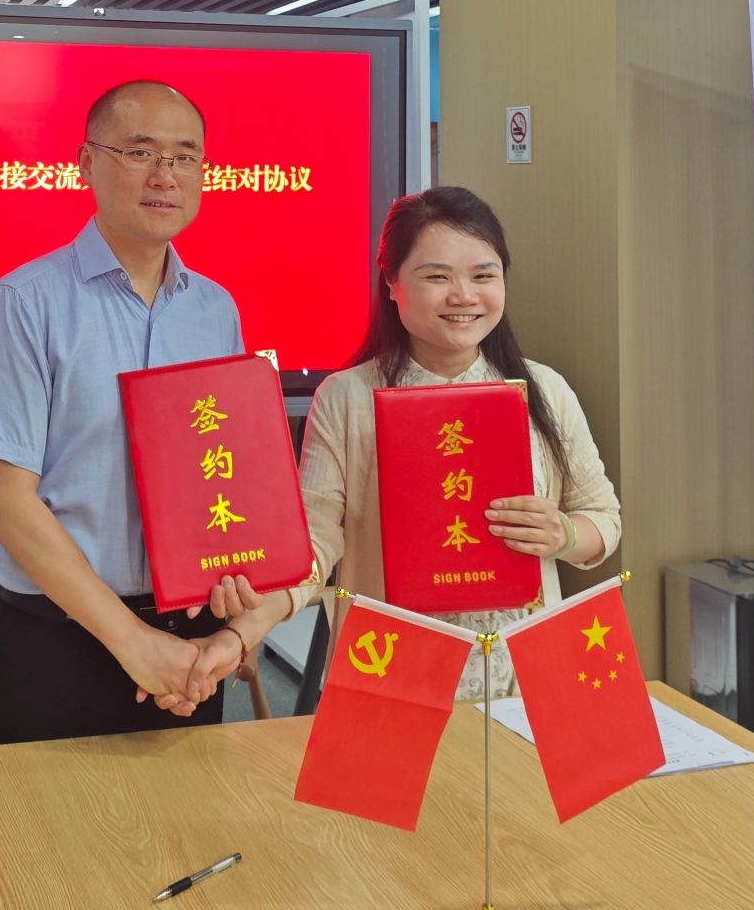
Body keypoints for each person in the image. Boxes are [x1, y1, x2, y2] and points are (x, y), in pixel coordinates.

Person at [213, 185, 620, 699]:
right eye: (437, 277)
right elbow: (315, 541)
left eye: (484, 275)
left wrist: (563, 533)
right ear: (391, 282)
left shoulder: (544, 390)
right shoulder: (347, 398)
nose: (464, 296)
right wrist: (244, 627)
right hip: (392, 671)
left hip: (524, 678)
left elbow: (603, 519)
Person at [0, 80, 264, 746]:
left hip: (187, 646)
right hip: (54, 641)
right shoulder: (24, 302)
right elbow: (6, 499)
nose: (165, 175)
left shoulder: (216, 309)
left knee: (181, 815)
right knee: (36, 817)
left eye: (185, 156)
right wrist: (131, 641)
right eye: (141, 152)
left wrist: (236, 586)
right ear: (86, 163)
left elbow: (220, 473)